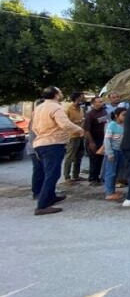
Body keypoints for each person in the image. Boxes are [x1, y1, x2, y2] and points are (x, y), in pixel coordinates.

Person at [30, 86, 84, 215]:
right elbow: (65, 124)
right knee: (52, 174)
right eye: (59, 92)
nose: (61, 93)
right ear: (55, 95)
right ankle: (42, 205)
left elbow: (33, 127)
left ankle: (50, 197)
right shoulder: (56, 107)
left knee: (49, 172)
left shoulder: (38, 107)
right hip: (52, 143)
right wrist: (79, 130)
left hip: (41, 142)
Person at [83, 96, 109, 186]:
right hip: (93, 140)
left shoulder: (104, 111)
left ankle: (98, 177)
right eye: (99, 102)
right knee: (94, 160)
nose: (101, 103)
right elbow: (86, 130)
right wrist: (91, 142)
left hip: (102, 139)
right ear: (93, 104)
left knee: (100, 159)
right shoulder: (90, 114)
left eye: (102, 101)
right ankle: (92, 179)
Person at [102, 107, 126, 201]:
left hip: (120, 151)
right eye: (123, 115)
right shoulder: (111, 125)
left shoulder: (124, 125)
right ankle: (109, 193)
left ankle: (112, 190)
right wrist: (109, 153)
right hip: (113, 151)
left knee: (116, 171)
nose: (125, 117)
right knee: (110, 172)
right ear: (116, 115)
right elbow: (107, 140)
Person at [62, 91, 85, 185]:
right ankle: (67, 177)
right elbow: (65, 123)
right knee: (70, 157)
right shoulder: (67, 108)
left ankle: (76, 175)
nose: (83, 99)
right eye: (82, 97)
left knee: (78, 156)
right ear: (77, 98)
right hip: (71, 136)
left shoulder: (81, 109)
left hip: (80, 135)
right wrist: (77, 122)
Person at [28, 99, 45, 201]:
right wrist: (36, 150)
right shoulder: (36, 117)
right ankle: (37, 192)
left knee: (44, 170)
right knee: (38, 170)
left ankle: (43, 190)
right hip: (35, 148)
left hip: (40, 146)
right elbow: (32, 136)